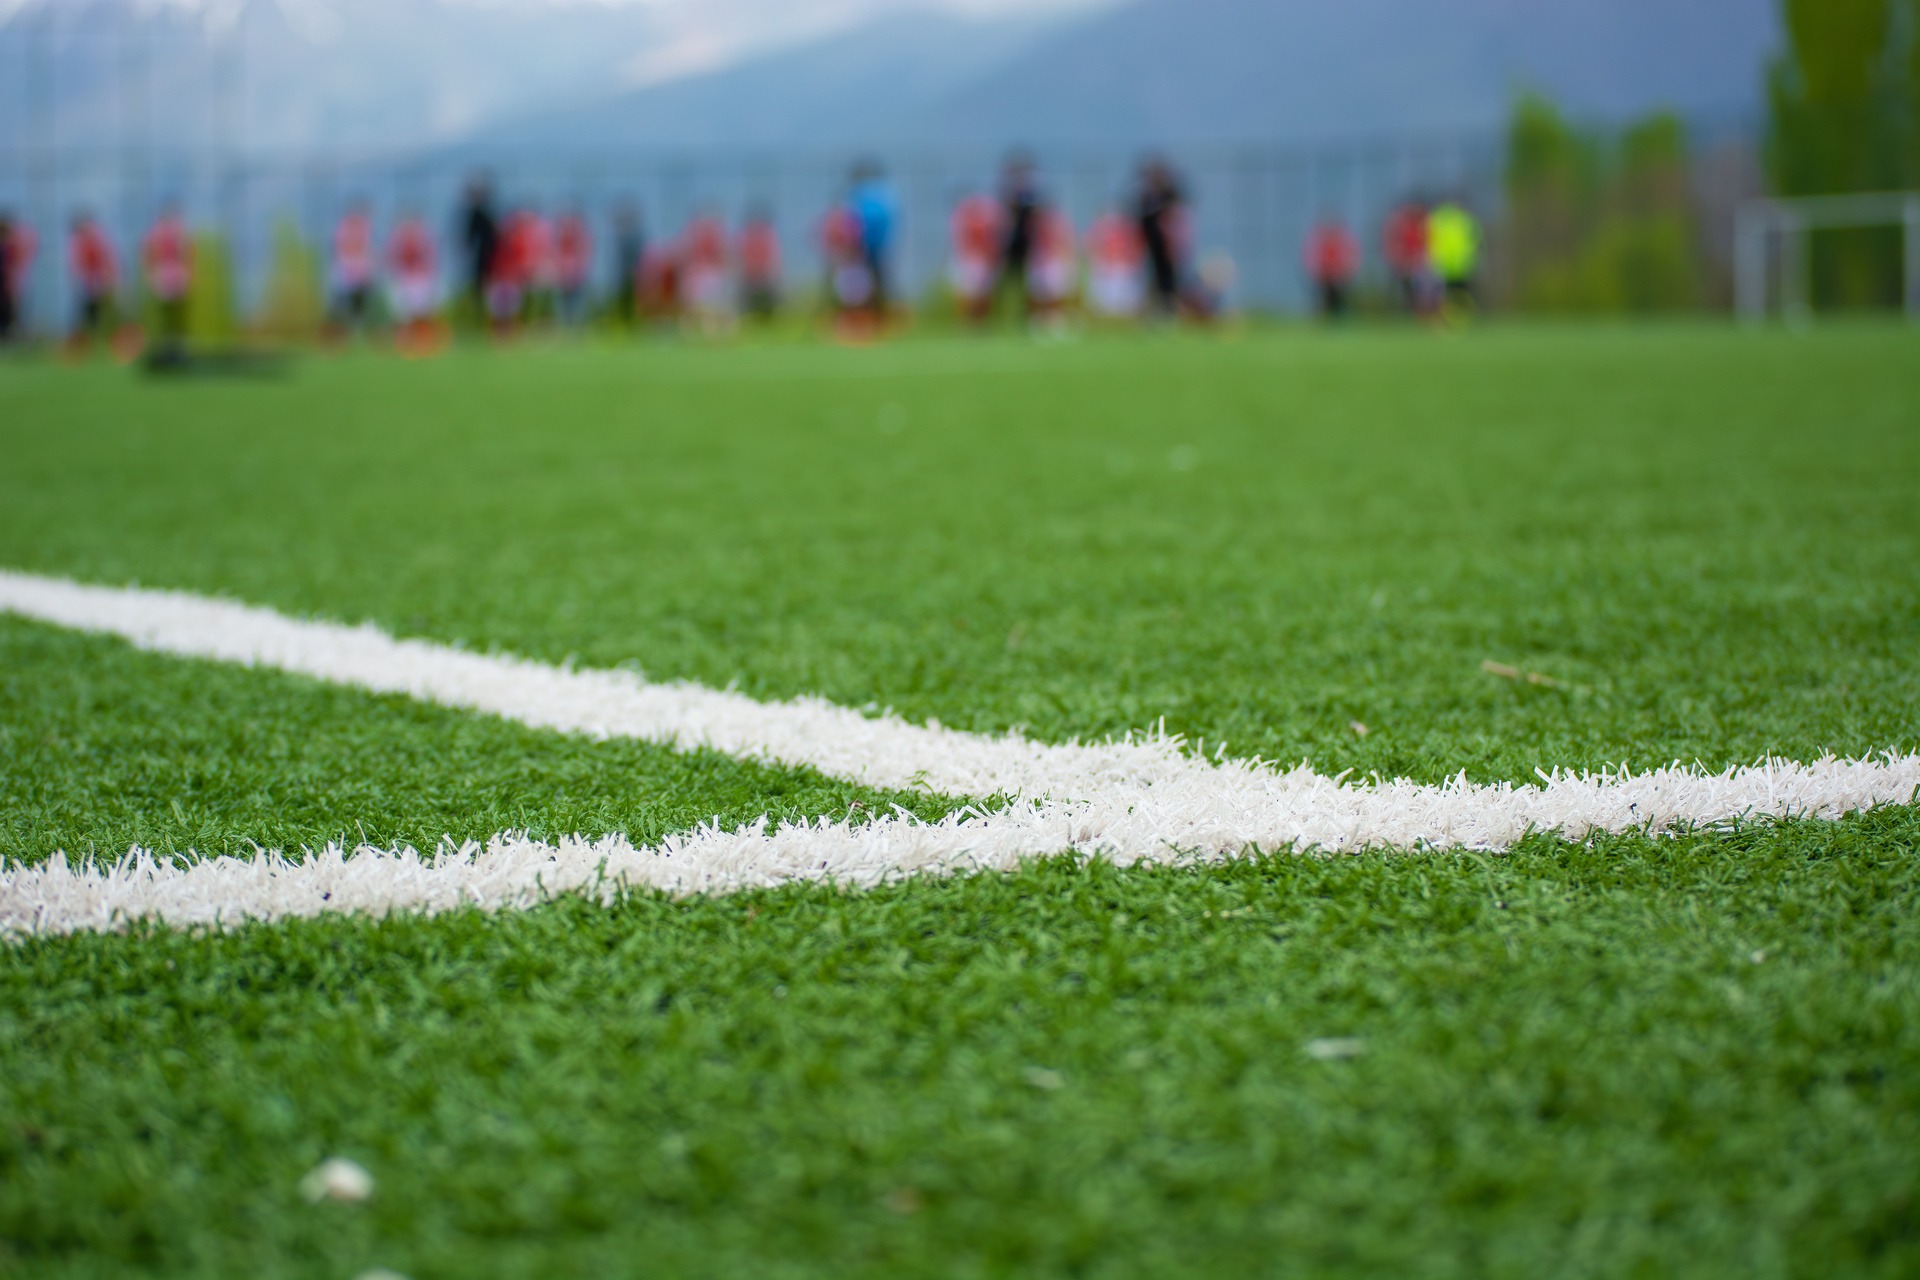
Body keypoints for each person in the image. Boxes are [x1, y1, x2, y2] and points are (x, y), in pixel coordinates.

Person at [1135, 157, 1192, 318]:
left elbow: (1177, 219)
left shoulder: (1170, 195)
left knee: (1170, 277)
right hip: (1151, 246)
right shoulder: (1146, 197)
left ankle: (1173, 309)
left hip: (1168, 245)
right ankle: (1156, 309)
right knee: (1153, 277)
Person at [996, 153, 1044, 319]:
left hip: (1027, 243)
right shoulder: (1007, 195)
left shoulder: (1031, 197)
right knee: (1003, 279)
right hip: (1011, 242)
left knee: (1031, 281)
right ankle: (997, 315)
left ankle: (1029, 315)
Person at [142, 205, 193, 355]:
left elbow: (186, 254)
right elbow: (150, 255)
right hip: (162, 272)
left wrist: (188, 274)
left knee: (178, 309)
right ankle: (164, 342)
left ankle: (178, 341)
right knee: (164, 309)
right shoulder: (156, 234)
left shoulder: (180, 231)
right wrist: (151, 275)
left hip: (176, 272)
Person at [386, 210, 439, 352]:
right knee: (402, 314)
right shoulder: (397, 238)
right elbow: (392, 257)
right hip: (403, 278)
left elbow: (430, 258)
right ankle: (402, 342)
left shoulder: (425, 237)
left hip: (420, 278)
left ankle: (423, 342)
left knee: (422, 313)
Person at [849, 161, 896, 319]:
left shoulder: (863, 194)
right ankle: (877, 316)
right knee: (878, 281)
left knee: (865, 283)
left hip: (868, 246)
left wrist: (857, 244)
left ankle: (871, 316)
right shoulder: (886, 193)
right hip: (881, 245)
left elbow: (859, 222)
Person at [948, 192, 1003, 324]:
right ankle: (969, 319)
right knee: (969, 291)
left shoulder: (983, 223)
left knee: (981, 291)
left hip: (978, 259)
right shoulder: (964, 222)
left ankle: (979, 318)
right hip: (970, 259)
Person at [67, 212, 119, 349]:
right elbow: (77, 263)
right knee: (88, 311)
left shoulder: (96, 238)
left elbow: (106, 258)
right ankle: (87, 338)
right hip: (87, 280)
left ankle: (104, 338)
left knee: (101, 311)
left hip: (97, 279)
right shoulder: (79, 241)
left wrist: (109, 276)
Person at [1086, 209, 1144, 319]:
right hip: (1107, 272)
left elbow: (1136, 253)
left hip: (1123, 272)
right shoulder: (1099, 235)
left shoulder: (1128, 236)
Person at [681, 209, 732, 334]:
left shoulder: (700, 236)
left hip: (706, 276)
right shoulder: (697, 237)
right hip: (703, 276)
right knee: (705, 308)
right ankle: (704, 330)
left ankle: (706, 330)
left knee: (710, 307)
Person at [331, 201, 378, 335]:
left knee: (360, 303)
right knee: (342, 302)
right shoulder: (343, 227)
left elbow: (367, 249)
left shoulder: (366, 228)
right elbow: (342, 248)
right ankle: (339, 329)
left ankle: (359, 328)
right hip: (346, 270)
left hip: (361, 271)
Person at [1027, 204, 1077, 328]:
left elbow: (1066, 244)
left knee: (1057, 292)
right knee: (1041, 293)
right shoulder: (1037, 228)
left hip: (1055, 261)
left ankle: (1055, 319)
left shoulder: (1060, 227)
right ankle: (1041, 319)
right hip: (1041, 262)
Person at [1426, 201, 1481, 315]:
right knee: (1452, 292)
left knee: (1461, 291)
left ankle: (1466, 313)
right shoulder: (1462, 219)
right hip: (1451, 263)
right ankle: (1453, 315)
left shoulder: (1441, 219)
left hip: (1457, 263)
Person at [1382, 200, 1434, 316]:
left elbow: (1425, 245)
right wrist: (1403, 259)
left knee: (1421, 290)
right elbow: (1400, 245)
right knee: (1406, 289)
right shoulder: (1404, 227)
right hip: (1406, 263)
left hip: (1419, 263)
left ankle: (1423, 311)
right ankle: (1405, 312)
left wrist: (1420, 258)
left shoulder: (1422, 226)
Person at [460, 176, 500, 326]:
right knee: (482, 289)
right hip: (483, 257)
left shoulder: (483, 213)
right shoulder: (477, 213)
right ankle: (482, 319)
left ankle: (490, 320)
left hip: (489, 257)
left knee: (489, 289)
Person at [1304, 216, 1360, 318]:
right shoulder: (1322, 243)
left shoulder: (1340, 242)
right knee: (1324, 301)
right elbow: (1313, 259)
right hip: (1325, 277)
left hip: (1338, 277)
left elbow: (1349, 258)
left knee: (1338, 301)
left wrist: (1343, 271)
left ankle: (1339, 319)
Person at [737, 204, 781, 321]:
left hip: (764, 277)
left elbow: (774, 260)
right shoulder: (745, 237)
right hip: (750, 277)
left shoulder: (768, 237)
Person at [553, 207, 592, 327]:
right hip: (563, 274)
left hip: (576, 274)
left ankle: (577, 327)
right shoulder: (561, 238)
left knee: (576, 304)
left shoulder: (580, 237)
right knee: (564, 304)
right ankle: (565, 327)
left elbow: (584, 255)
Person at [612, 202, 644, 327]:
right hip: (624, 272)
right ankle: (623, 320)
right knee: (624, 297)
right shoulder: (622, 236)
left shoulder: (635, 236)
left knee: (635, 299)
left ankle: (634, 320)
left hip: (635, 273)